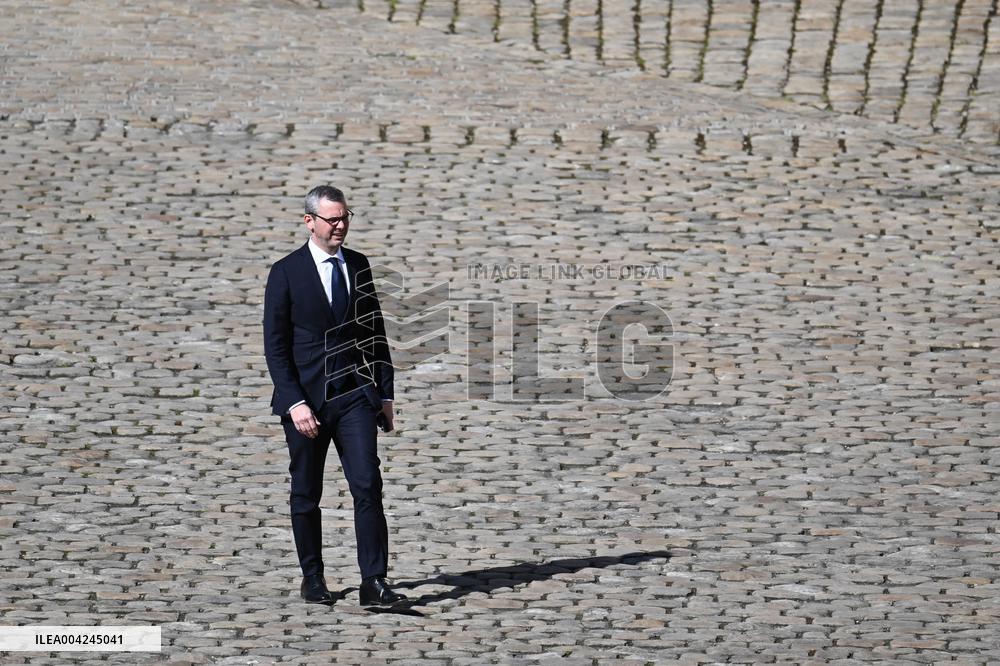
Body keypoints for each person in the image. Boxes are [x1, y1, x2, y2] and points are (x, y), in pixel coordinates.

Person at [263, 185, 406, 606]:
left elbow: (375, 331)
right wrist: (294, 402)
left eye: (345, 217)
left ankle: (373, 582)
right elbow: (275, 346)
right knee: (307, 493)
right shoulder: (286, 272)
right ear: (310, 221)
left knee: (367, 484)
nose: (340, 225)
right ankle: (313, 577)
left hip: (355, 397)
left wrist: (385, 392)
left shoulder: (358, 265)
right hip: (306, 401)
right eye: (332, 219)